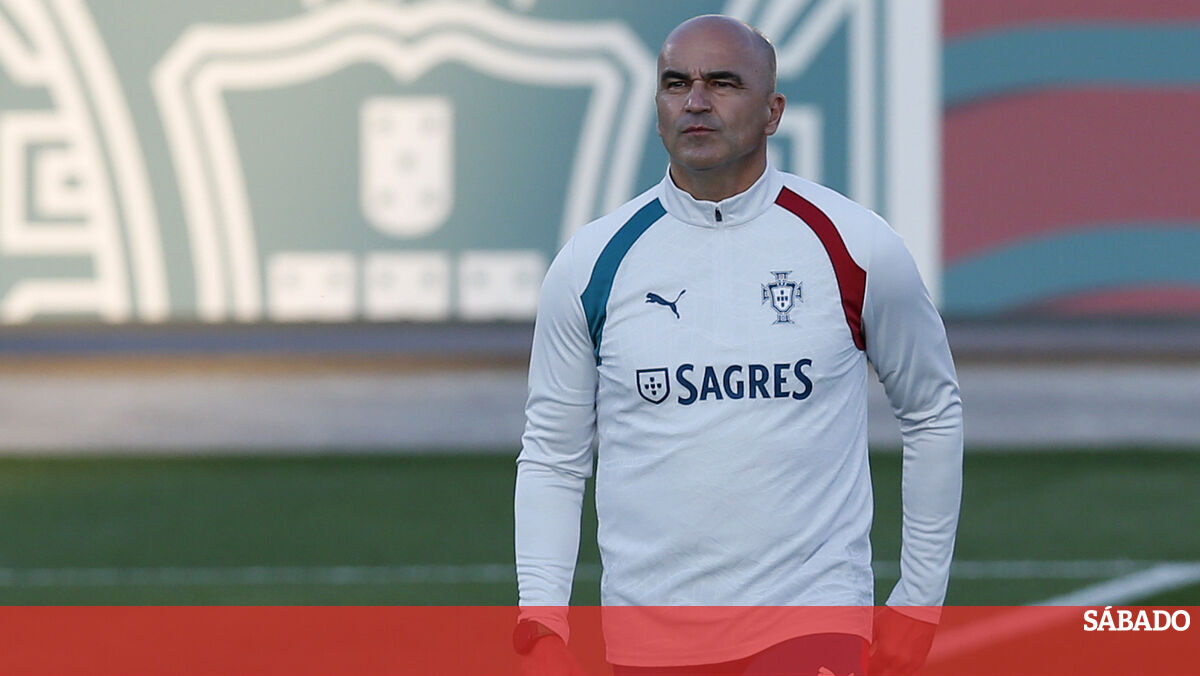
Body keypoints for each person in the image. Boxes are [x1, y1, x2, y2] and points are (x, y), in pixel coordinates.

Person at [514, 14, 962, 676]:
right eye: (676, 83)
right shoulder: (591, 263)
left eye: (722, 83)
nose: (696, 101)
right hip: (648, 637)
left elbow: (932, 411)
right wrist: (541, 626)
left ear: (773, 111)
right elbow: (553, 454)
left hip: (812, 617)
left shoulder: (856, 245)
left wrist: (919, 602)